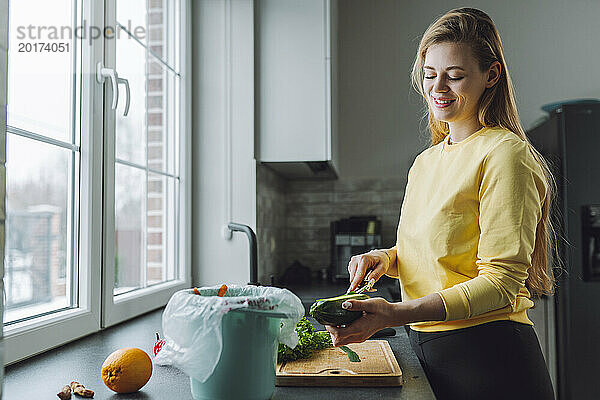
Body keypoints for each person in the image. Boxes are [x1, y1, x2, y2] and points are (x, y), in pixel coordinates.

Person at [324, 8, 556, 400]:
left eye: (455, 75)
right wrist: (386, 259)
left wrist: (395, 314)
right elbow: (435, 249)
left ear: (491, 76)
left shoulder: (505, 154)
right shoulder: (426, 161)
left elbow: (501, 282)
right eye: (430, 74)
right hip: (429, 349)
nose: (438, 87)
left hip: (490, 355)